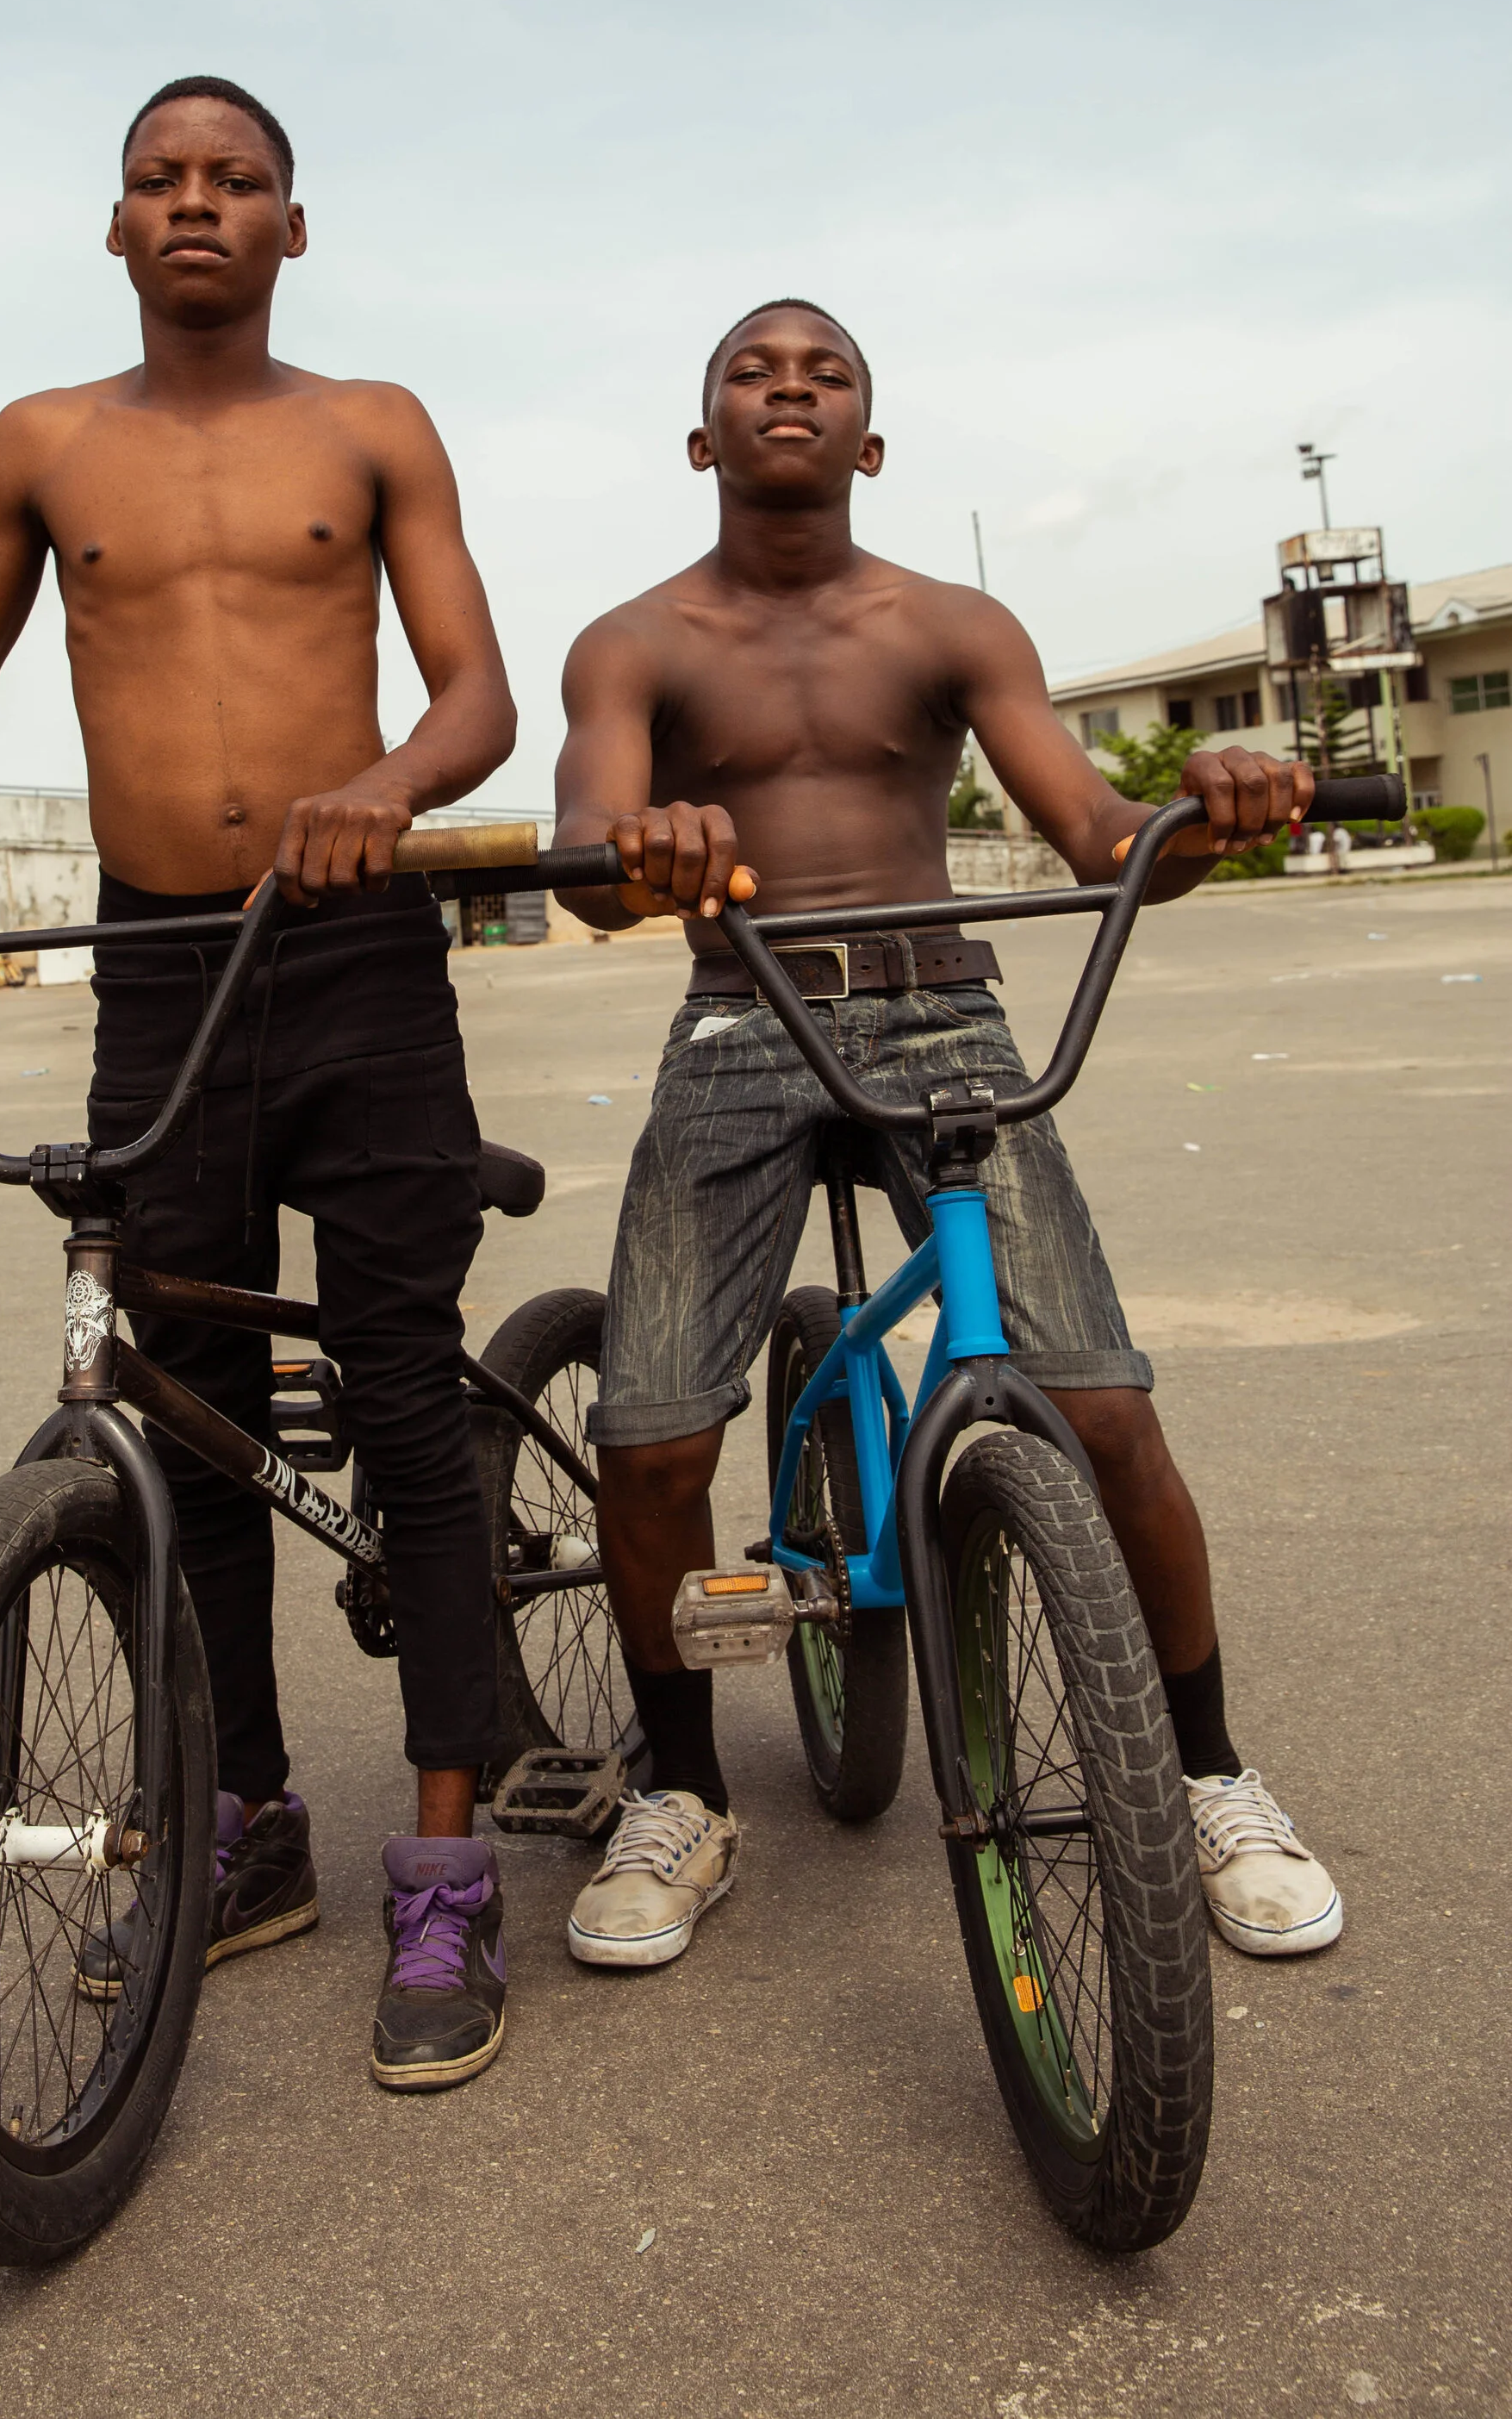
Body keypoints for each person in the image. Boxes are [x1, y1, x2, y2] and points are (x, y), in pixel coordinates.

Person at [0, 76, 514, 2090]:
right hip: (160, 970)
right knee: (183, 1414)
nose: (196, 202)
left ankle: (445, 1867)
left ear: (290, 227)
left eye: (235, 179)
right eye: (159, 179)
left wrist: (384, 786)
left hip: (353, 954)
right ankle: (245, 1818)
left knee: (402, 1391)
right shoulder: (41, 442)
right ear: (112, 226)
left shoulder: (372, 425)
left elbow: (473, 693)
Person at [549, 296, 1343, 1974]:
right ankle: (681, 1794)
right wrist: (640, 851)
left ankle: (1209, 1771)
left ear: (869, 438)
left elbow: (1099, 831)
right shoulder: (632, 641)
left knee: (1102, 1410)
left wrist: (1203, 817)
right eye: (751, 372)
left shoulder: (951, 622)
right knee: (650, 1439)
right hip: (737, 1019)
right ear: (699, 438)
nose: (789, 388)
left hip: (940, 1018)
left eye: (824, 372)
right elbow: (587, 846)